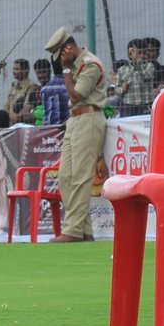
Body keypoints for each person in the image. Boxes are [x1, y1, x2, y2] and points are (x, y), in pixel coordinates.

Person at [44, 27, 105, 243]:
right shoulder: (78, 64)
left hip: (89, 118)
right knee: (65, 176)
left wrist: (67, 70)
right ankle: (84, 230)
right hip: (75, 119)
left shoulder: (90, 64)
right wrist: (68, 69)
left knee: (81, 176)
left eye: (60, 55)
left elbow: (76, 95)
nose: (59, 61)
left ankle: (72, 230)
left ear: (68, 48)